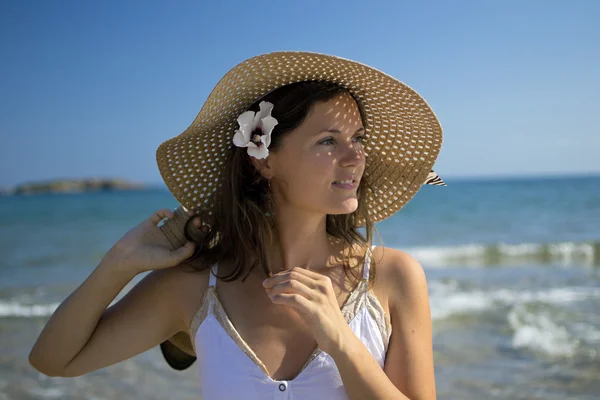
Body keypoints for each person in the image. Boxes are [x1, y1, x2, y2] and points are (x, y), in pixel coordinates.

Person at [29, 51, 445, 399]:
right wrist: (118, 264)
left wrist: (340, 341)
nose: (354, 157)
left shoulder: (392, 277)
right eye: (328, 140)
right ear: (264, 159)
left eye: (359, 139)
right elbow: (53, 360)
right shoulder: (197, 285)